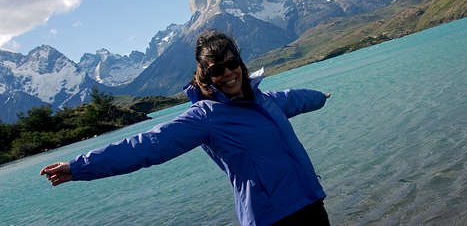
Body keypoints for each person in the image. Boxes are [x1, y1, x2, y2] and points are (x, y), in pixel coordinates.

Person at [40, 30, 332, 226]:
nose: (228, 74)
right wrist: (78, 167)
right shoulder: (206, 117)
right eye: (217, 70)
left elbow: (295, 99)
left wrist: (321, 97)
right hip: (273, 218)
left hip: (311, 203)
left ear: (240, 64)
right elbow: (146, 146)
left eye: (232, 64)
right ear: (206, 76)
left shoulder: (265, 101)